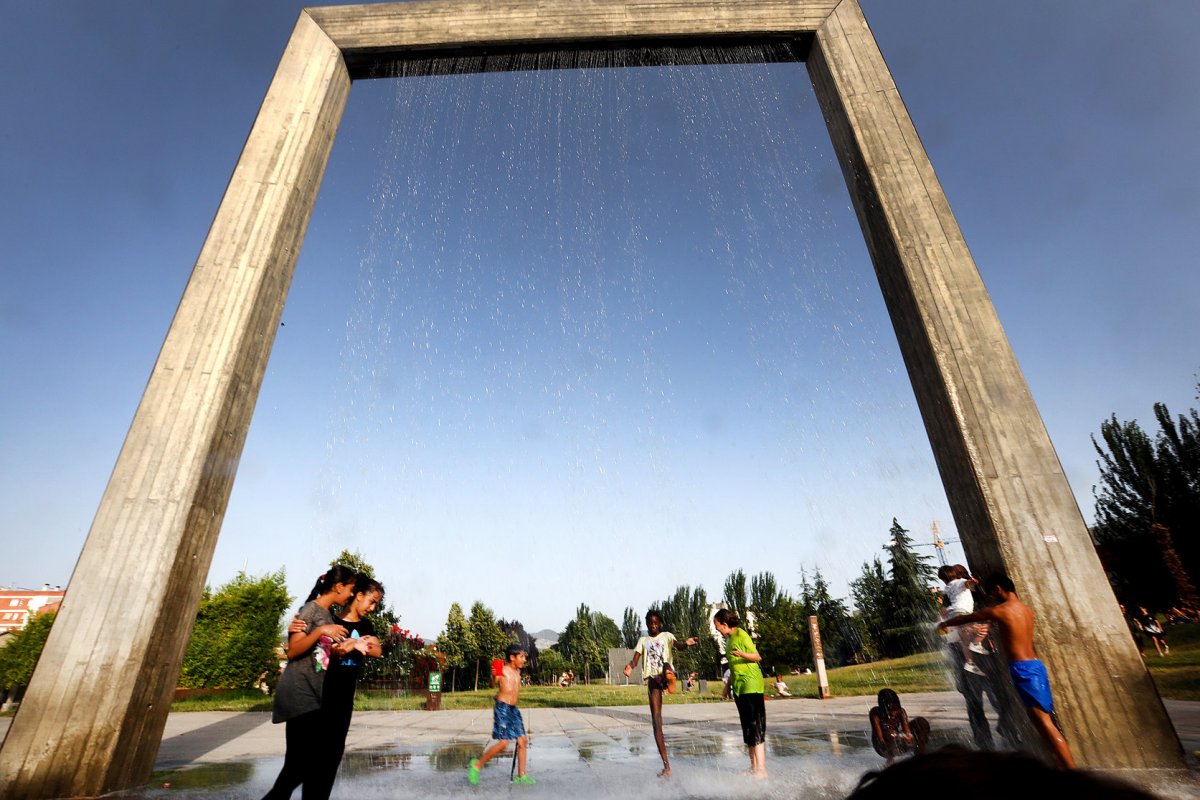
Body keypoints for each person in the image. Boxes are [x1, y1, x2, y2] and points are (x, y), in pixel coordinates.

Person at [938, 572, 1076, 769]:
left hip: (1023, 670)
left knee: (1045, 724)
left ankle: (1072, 774)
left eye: (993, 594)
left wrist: (945, 623)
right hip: (1036, 666)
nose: (993, 599)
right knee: (1043, 720)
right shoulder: (1026, 610)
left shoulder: (1002, 611)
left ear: (998, 589)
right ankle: (1058, 765)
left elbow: (969, 617)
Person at [262, 565, 355, 800]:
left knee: (299, 765)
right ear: (338, 586)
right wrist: (321, 631)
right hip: (298, 691)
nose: (352, 595)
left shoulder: (325, 615)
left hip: (312, 693)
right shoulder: (311, 611)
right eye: (351, 589)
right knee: (299, 766)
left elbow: (318, 656)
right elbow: (293, 651)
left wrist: (341, 650)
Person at [313, 574, 384, 794]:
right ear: (359, 595)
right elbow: (330, 653)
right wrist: (354, 644)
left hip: (345, 696)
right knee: (317, 753)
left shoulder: (366, 625)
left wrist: (356, 643)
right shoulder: (333, 621)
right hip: (322, 694)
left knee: (335, 751)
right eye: (371, 601)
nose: (372, 608)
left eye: (376, 604)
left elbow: (377, 649)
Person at [623, 609, 698, 777]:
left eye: (655, 622)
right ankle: (666, 766)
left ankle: (670, 680)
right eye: (650, 623)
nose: (653, 625)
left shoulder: (667, 636)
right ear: (647, 624)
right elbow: (636, 658)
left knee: (665, 665)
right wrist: (629, 666)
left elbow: (678, 646)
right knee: (656, 722)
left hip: (665, 672)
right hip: (653, 679)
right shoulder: (643, 640)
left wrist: (687, 643)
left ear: (660, 623)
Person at [468, 644, 534, 785]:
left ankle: (521, 776)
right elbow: (493, 684)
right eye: (521, 657)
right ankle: (477, 765)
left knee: (522, 741)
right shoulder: (502, 670)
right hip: (502, 708)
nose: (524, 660)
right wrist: (493, 676)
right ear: (512, 657)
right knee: (503, 743)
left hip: (513, 709)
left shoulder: (517, 672)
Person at [713, 608, 767, 778]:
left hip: (752, 685)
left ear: (724, 623)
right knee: (747, 728)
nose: (716, 629)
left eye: (717, 626)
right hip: (739, 687)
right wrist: (727, 686)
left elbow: (757, 656)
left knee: (756, 726)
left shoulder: (741, 634)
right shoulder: (728, 640)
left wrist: (743, 654)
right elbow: (733, 666)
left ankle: (761, 769)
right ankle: (753, 767)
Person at [939, 564, 984, 676]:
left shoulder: (948, 588)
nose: (964, 576)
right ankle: (976, 644)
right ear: (955, 575)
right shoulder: (961, 583)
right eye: (960, 574)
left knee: (965, 640)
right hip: (962, 612)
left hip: (955, 612)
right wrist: (973, 581)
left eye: (965, 573)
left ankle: (970, 662)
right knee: (974, 627)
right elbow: (966, 583)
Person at [868, 688, 930, 766]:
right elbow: (880, 739)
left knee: (921, 722)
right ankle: (890, 761)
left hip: (898, 743)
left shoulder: (901, 712)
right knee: (889, 732)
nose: (893, 714)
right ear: (883, 709)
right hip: (883, 747)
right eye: (890, 711)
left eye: (895, 710)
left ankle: (920, 756)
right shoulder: (875, 714)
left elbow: (907, 732)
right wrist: (895, 737)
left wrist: (907, 737)